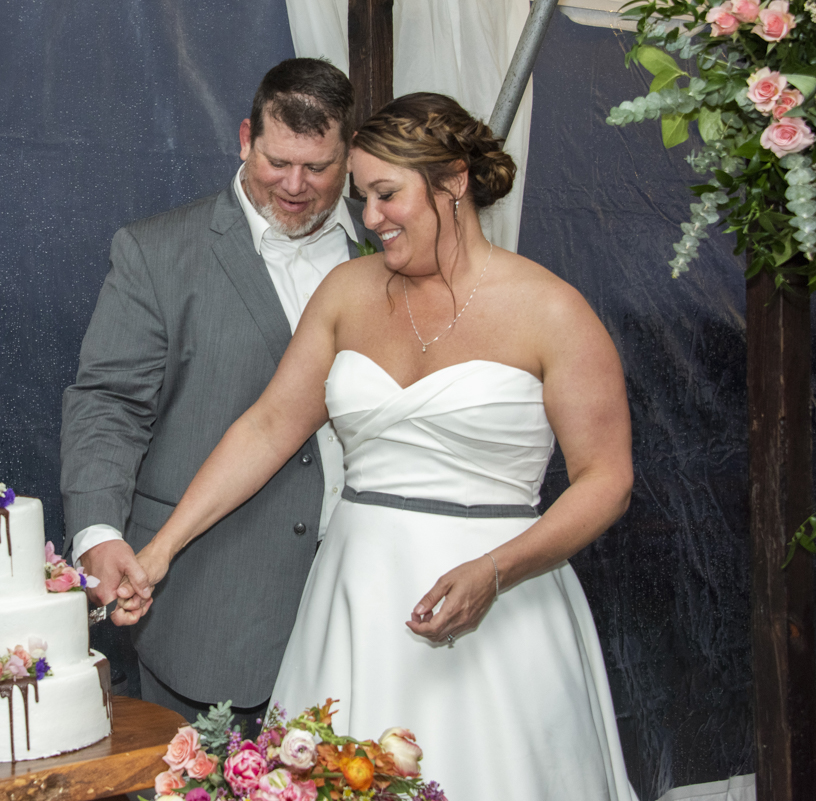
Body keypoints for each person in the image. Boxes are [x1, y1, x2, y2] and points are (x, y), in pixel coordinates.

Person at [129, 93, 638, 800]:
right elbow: (269, 426)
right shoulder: (347, 292)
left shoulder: (553, 311)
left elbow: (605, 478)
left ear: (453, 180)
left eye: (387, 194)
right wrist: (161, 549)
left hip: (505, 603)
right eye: (363, 196)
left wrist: (494, 571)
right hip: (355, 598)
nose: (370, 218)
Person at [59, 58, 379, 725]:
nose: (295, 185)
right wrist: (97, 530)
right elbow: (108, 404)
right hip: (208, 609)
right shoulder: (157, 253)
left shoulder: (384, 257)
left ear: (348, 159)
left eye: (317, 168)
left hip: (362, 606)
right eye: (277, 161)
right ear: (244, 139)